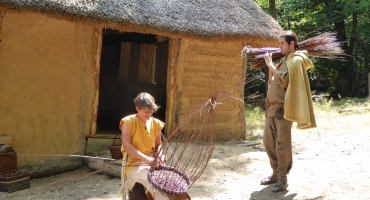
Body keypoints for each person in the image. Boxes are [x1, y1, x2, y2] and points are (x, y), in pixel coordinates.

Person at [261, 31, 316, 192]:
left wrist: (271, 65)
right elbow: (273, 81)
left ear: (291, 43)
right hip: (271, 108)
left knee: (281, 144)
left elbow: (285, 81)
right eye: (278, 43)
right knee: (268, 141)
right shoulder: (284, 61)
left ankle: (282, 178)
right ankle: (275, 173)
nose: (279, 46)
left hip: (283, 110)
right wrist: (270, 67)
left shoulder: (297, 60)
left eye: (282, 43)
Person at [119, 92, 167, 199]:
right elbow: (126, 145)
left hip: (152, 163)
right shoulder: (128, 122)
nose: (149, 114)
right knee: (153, 183)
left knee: (167, 180)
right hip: (133, 163)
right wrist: (145, 158)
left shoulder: (156, 123)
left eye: (151, 111)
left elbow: (158, 144)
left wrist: (160, 156)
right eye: (146, 111)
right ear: (137, 108)